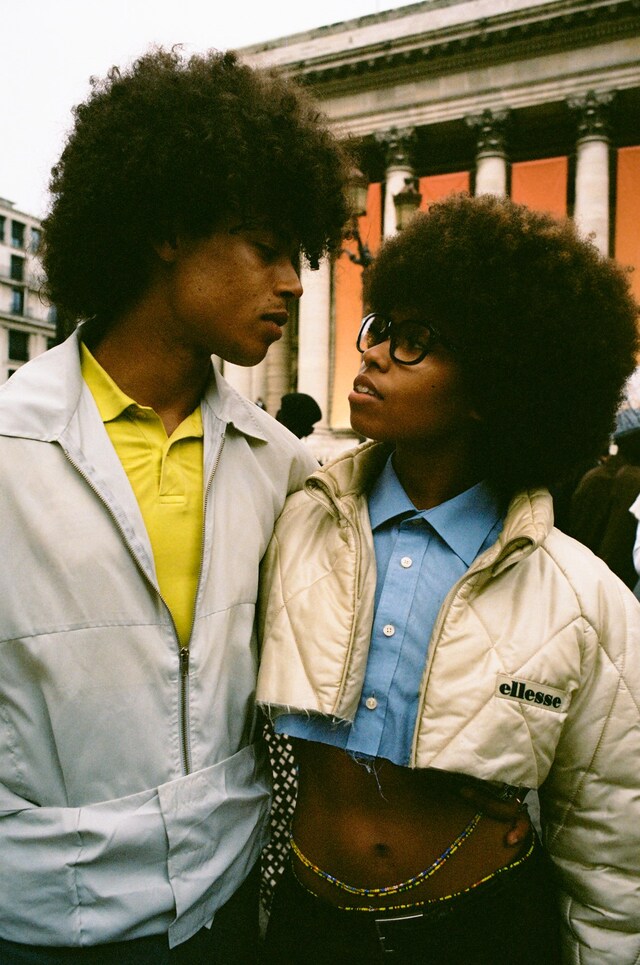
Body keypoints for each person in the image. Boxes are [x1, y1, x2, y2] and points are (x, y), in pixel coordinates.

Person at [0, 47, 350, 964]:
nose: (295, 282)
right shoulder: (5, 445)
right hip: (42, 927)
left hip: (227, 915)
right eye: (265, 246)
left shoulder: (281, 462)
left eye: (299, 253)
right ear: (165, 229)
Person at [256, 194, 640, 964]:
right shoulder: (292, 521)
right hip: (304, 928)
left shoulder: (583, 595)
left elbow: (610, 844)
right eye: (380, 327)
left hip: (486, 931)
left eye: (414, 342)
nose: (371, 352)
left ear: (493, 388)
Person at [569, 407, 640, 590]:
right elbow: (614, 546)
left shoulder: (596, 475)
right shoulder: (630, 480)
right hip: (605, 582)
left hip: (580, 573)